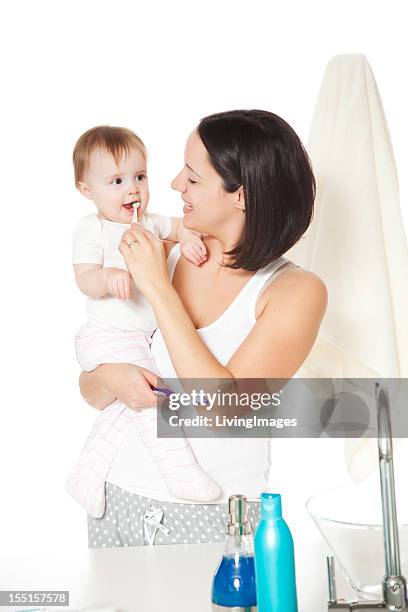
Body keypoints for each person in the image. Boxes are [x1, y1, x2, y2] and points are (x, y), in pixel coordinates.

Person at [79, 110, 328, 548]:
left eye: (192, 178)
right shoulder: (166, 249)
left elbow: (222, 408)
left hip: (216, 516)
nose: (174, 185)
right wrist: (109, 377)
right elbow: (92, 385)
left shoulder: (294, 292)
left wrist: (158, 287)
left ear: (242, 196)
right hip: (115, 495)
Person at [66, 125, 221, 520]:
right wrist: (107, 279)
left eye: (139, 177)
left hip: (137, 338)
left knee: (128, 403)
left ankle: (87, 472)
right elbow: (83, 277)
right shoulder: (93, 229)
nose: (132, 189)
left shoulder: (149, 222)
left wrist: (186, 240)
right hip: (107, 336)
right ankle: (180, 473)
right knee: (155, 399)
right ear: (87, 190)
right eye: (116, 181)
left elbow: (182, 227)